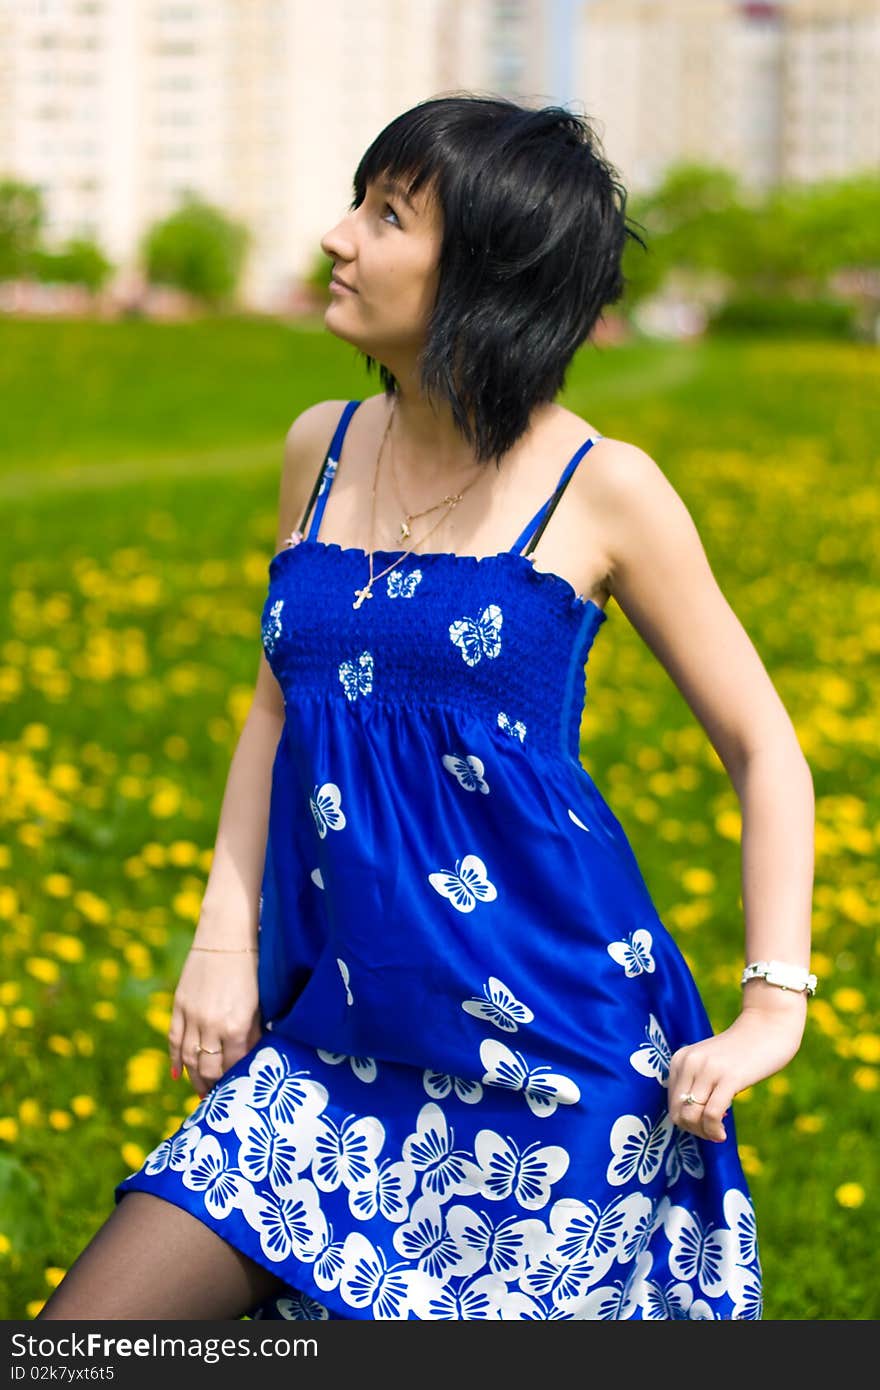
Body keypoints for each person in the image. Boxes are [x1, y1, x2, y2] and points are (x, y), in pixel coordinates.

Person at [38, 93, 815, 1323]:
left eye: (388, 215)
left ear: (489, 274)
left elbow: (761, 745)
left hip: (554, 1068)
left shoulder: (602, 487)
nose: (340, 238)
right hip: (334, 1039)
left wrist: (772, 1004)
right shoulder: (321, 445)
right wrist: (221, 937)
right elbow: (276, 710)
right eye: (359, 202)